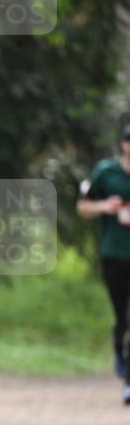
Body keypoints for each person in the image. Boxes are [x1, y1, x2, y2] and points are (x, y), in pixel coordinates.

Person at [77, 122, 130, 405]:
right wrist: (105, 207)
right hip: (115, 254)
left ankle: (129, 381)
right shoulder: (106, 172)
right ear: (124, 144)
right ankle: (119, 349)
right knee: (123, 317)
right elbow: (83, 206)